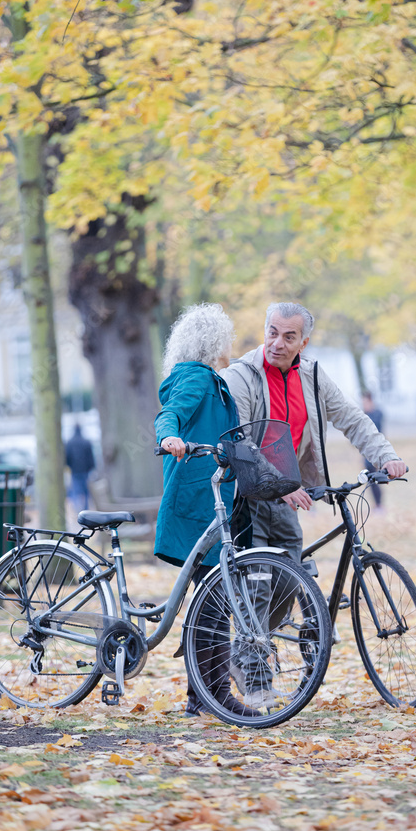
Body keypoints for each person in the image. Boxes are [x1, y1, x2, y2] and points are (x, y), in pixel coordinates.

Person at [223, 301, 407, 702]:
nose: (278, 343)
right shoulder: (242, 376)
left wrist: (386, 455)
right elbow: (239, 438)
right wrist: (277, 483)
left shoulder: (314, 377)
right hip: (247, 496)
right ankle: (254, 676)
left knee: (288, 583)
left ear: (304, 341)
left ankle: (248, 649)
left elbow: (352, 419)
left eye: (289, 336)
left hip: (288, 497)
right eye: (272, 332)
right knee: (256, 586)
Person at [154, 303, 255, 718]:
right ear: (212, 342)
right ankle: (208, 696)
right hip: (197, 501)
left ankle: (208, 695)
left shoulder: (211, 380)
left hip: (212, 498)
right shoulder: (196, 378)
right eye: (224, 339)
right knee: (213, 601)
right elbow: (170, 415)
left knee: (214, 598)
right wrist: (169, 438)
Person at [361, 391, 385, 509]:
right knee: (370, 479)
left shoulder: (377, 414)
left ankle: (379, 504)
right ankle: (376, 504)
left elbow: (376, 431)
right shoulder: (365, 414)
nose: (364, 405)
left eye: (365, 402)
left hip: (376, 451)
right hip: (366, 453)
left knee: (376, 479)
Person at [65, 424, 96, 512]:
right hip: (85, 471)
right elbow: (91, 457)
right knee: (86, 490)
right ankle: (86, 508)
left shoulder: (70, 442)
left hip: (75, 471)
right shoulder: (86, 442)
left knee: (76, 490)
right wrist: (91, 467)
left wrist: (69, 466)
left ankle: (77, 508)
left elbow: (67, 457)